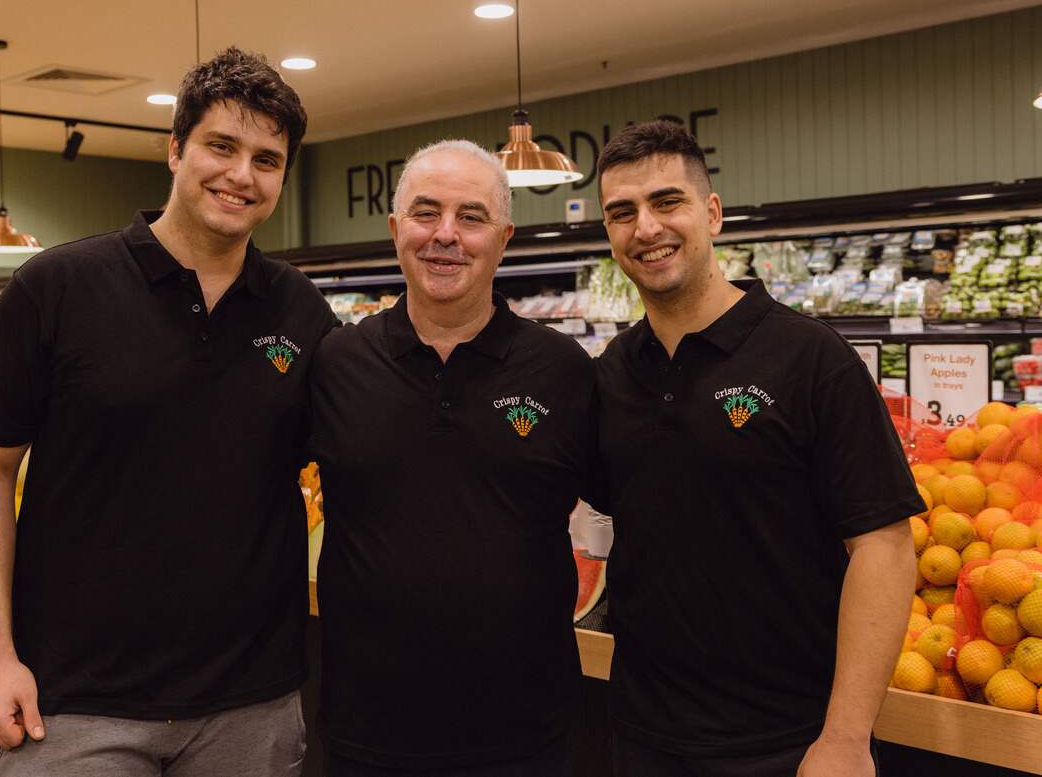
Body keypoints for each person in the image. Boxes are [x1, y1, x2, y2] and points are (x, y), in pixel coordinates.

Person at [0, 46, 336, 777]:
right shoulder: (56, 287)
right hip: (75, 703)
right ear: (174, 149)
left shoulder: (302, 310)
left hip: (251, 704)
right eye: (220, 146)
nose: (240, 174)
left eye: (266, 159)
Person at [592, 121, 922, 777]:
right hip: (643, 735)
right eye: (622, 212)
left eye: (667, 202)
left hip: (787, 742)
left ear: (712, 213)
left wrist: (845, 738)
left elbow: (884, 548)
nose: (645, 228)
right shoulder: (611, 373)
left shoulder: (810, 358)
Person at [306, 140, 596, 776]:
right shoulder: (335, 364)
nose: (445, 235)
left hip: (528, 734)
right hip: (366, 731)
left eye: (471, 217)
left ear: (504, 236)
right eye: (425, 212)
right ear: (394, 229)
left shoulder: (564, 372)